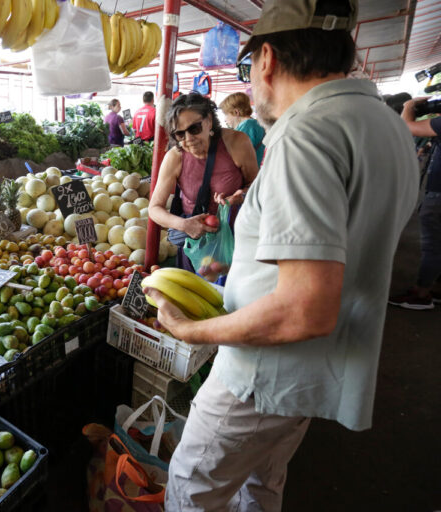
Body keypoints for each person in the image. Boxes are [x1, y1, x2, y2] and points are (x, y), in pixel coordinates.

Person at [144, 1, 419, 511]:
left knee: (190, 491)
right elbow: (353, 246)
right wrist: (242, 264)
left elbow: (304, 308)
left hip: (261, 375)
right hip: (313, 377)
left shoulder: (305, 134)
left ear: (266, 58)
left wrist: (189, 331)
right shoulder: (385, 127)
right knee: (262, 484)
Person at [147, 93, 258, 268]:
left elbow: (256, 185)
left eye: (195, 128)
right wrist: (184, 225)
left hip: (237, 238)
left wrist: (241, 195)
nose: (189, 138)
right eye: (180, 134)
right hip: (195, 246)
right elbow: (154, 209)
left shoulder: (237, 143)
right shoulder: (175, 157)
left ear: (209, 121)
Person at [388, 97, 441, 309]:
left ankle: (421, 294)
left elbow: (406, 127)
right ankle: (436, 288)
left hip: (439, 193)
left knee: (433, 245)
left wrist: (409, 107)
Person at [219, 92, 266, 166]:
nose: (225, 119)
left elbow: (237, 155)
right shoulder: (254, 124)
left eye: (226, 115)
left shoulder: (248, 126)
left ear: (236, 112)